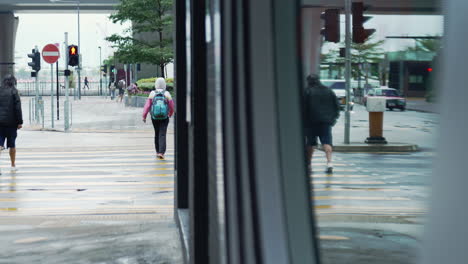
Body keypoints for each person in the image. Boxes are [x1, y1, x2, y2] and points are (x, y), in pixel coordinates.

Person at [304, 74, 340, 173]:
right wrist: (333, 119)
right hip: (326, 122)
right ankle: (329, 163)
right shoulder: (329, 91)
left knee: (311, 143)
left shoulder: (307, 91)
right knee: (327, 142)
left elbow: (303, 108)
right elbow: (337, 106)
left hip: (310, 122)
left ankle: (309, 165)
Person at [142, 78, 174, 159]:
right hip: (164, 117)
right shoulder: (167, 94)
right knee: (162, 134)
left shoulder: (152, 93)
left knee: (156, 133)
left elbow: (147, 106)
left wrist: (144, 116)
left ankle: (157, 151)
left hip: (154, 117)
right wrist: (170, 114)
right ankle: (161, 152)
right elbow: (172, 106)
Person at [0, 75, 23, 175]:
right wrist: (20, 122)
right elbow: (17, 107)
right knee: (12, 145)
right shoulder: (14, 91)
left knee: (0, 144)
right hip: (11, 123)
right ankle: (13, 165)